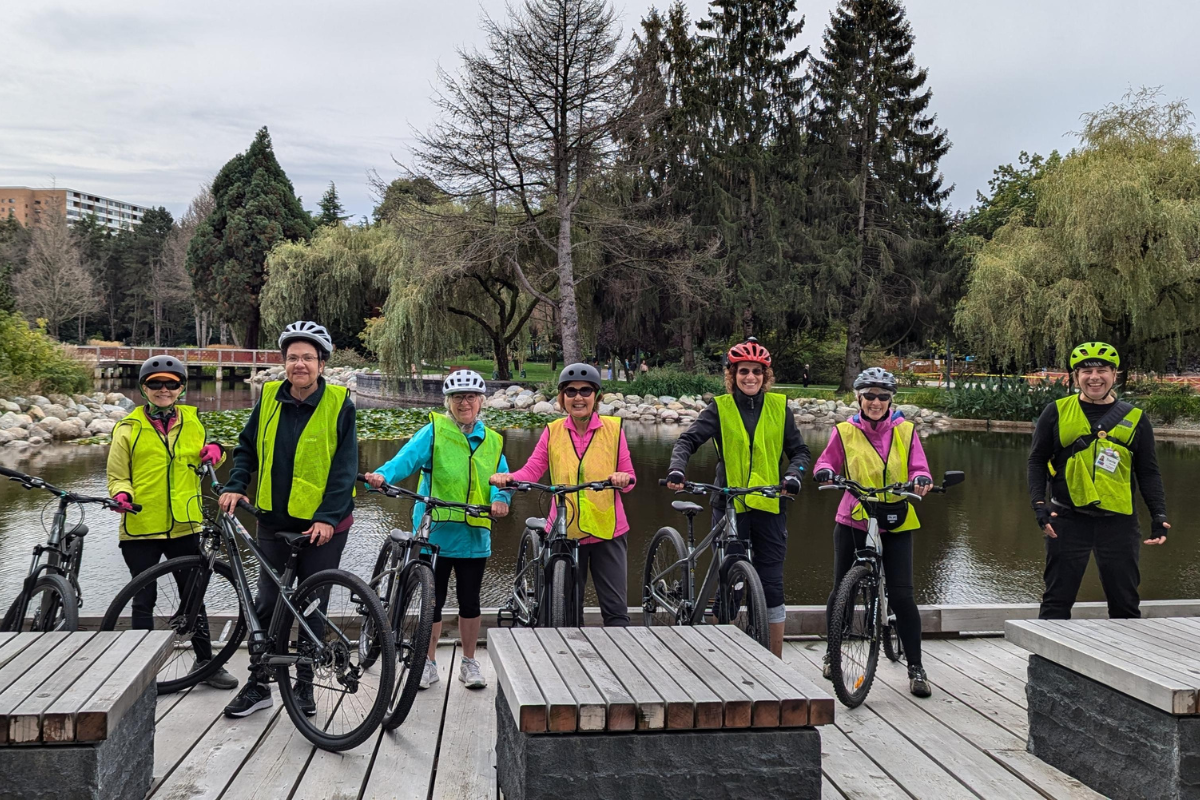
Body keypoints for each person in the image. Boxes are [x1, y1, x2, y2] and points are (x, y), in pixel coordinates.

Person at [218, 321, 358, 718]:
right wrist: (236, 482)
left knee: (312, 605)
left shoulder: (340, 404)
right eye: (293, 357)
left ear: (322, 364)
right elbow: (247, 447)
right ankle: (259, 683)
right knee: (267, 604)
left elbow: (345, 468)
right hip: (273, 521)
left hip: (322, 528)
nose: (300, 364)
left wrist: (329, 516)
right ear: (283, 362)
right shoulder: (268, 399)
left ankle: (304, 684)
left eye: (308, 358)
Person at [363, 369, 512, 690]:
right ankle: (427, 662)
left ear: (481, 402)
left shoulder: (494, 440)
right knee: (433, 600)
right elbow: (405, 461)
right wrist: (381, 476)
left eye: (471, 397)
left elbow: (503, 480)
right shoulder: (434, 431)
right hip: (436, 533)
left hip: (474, 534)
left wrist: (501, 498)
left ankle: (469, 663)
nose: (465, 403)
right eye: (458, 397)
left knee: (470, 601)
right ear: (449, 402)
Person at [667, 338, 810, 658]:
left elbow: (799, 451)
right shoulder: (720, 407)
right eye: (743, 371)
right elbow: (688, 441)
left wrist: (794, 475)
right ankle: (725, 658)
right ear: (732, 374)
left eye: (757, 372)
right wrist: (677, 469)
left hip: (771, 504)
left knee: (772, 583)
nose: (750, 377)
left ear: (765, 375)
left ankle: (776, 662)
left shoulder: (779, 407)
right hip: (730, 504)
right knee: (730, 583)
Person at [107, 355, 238, 691]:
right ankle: (137, 671)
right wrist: (122, 495)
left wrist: (216, 450)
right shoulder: (127, 428)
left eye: (171, 384)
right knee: (143, 598)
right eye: (155, 384)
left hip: (185, 524)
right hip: (141, 525)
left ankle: (206, 663)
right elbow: (117, 476)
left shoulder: (194, 421)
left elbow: (210, 454)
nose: (163, 390)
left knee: (193, 596)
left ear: (181, 387)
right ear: (144, 388)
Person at [812, 367, 934, 698]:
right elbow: (826, 462)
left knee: (903, 595)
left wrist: (921, 479)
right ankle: (831, 655)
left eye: (882, 396)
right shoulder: (844, 431)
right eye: (869, 396)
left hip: (896, 518)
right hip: (855, 516)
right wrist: (824, 472)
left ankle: (916, 667)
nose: (875, 402)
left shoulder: (906, 430)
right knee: (842, 591)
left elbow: (919, 466)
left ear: (891, 400)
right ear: (859, 399)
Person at [1027, 342, 1168, 621]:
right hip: (1066, 519)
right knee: (1056, 600)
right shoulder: (1056, 411)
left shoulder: (1136, 418)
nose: (1094, 377)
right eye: (1086, 371)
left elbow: (1148, 471)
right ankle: (1046, 663)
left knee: (1125, 602)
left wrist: (1158, 514)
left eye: (1102, 370)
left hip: (1118, 521)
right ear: (1075, 376)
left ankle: (1124, 662)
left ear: (1115, 375)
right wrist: (1039, 505)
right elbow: (1036, 461)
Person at [491, 363, 636, 626]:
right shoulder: (552, 431)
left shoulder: (614, 430)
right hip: (564, 528)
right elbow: (533, 470)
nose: (578, 397)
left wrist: (622, 478)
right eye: (570, 391)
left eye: (585, 391)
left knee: (616, 612)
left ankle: (621, 662)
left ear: (596, 396)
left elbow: (628, 477)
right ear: (562, 398)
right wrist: (510, 479)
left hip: (608, 529)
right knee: (564, 611)